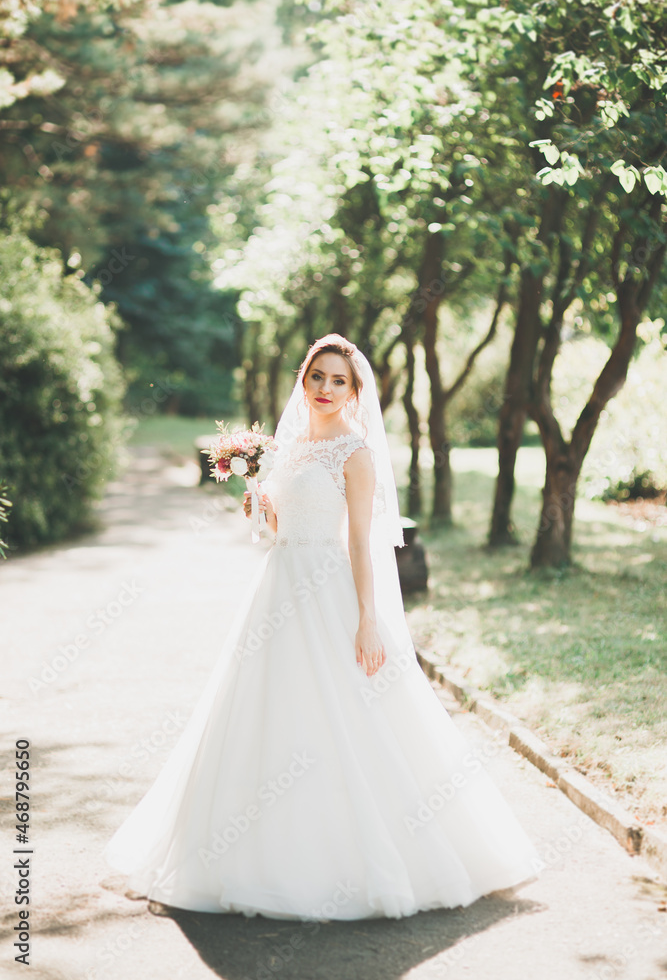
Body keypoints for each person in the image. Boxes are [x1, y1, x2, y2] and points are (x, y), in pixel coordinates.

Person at [104, 333, 538, 921]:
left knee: (349, 714)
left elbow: (359, 539)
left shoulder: (355, 452)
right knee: (261, 710)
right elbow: (279, 528)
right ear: (303, 381)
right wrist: (257, 496)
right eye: (318, 377)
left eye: (340, 381)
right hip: (278, 585)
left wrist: (367, 619)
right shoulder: (289, 447)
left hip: (328, 588)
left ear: (354, 392)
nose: (327, 389)